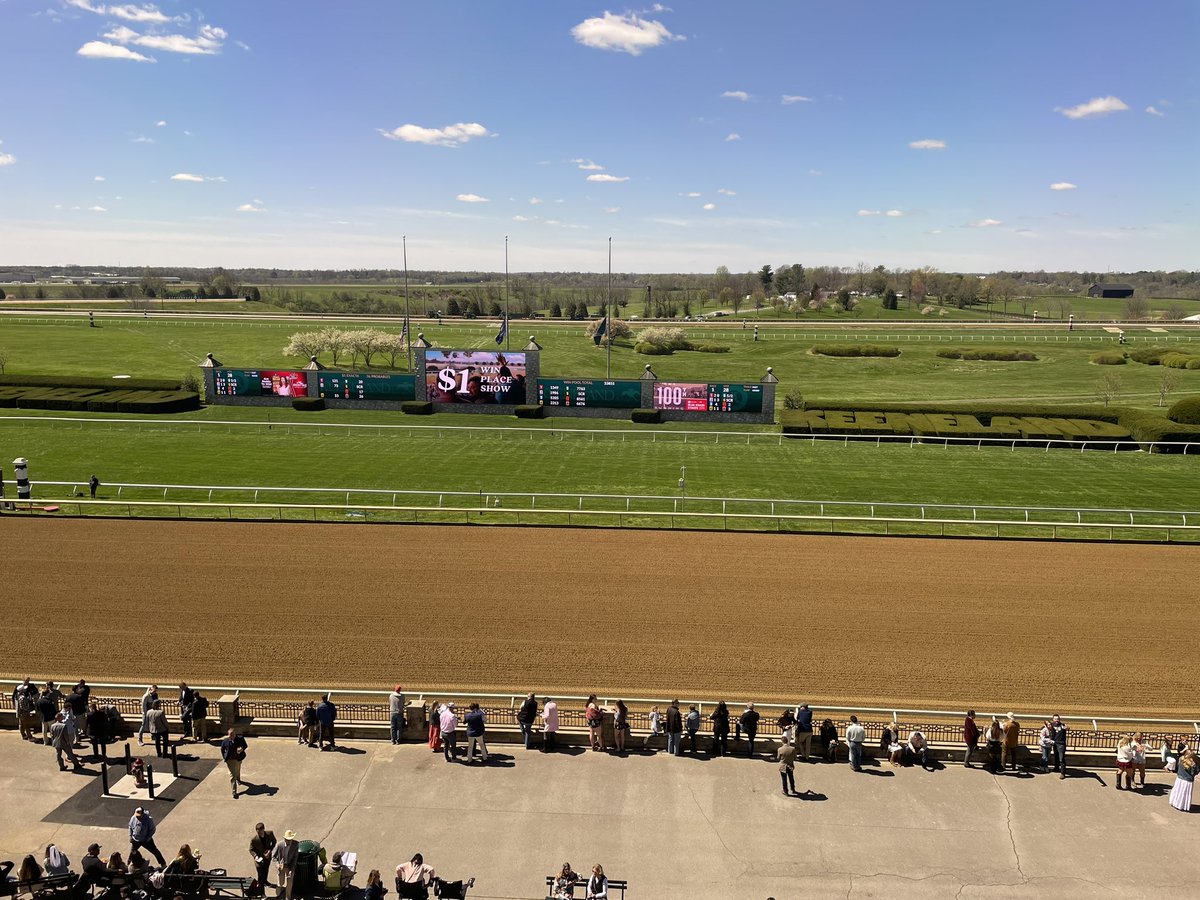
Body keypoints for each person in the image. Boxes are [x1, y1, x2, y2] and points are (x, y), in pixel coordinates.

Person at [273, 830, 300, 900]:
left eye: (290, 840)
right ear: (284, 839)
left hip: (290, 866)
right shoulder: (279, 845)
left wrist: (292, 869)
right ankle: (278, 896)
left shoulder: (296, 844)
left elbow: (295, 858)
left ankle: (288, 897)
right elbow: (273, 857)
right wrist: (277, 864)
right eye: (288, 840)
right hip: (281, 867)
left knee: (289, 884)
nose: (289, 841)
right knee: (280, 883)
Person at [222, 728, 248, 798]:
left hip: (238, 758)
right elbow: (222, 749)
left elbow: (245, 745)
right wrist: (225, 758)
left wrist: (242, 749)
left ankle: (238, 779)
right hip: (230, 760)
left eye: (232, 735)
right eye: (230, 735)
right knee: (232, 775)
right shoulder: (225, 741)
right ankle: (234, 792)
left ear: (235, 734)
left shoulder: (240, 739)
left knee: (237, 769)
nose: (231, 737)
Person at [250, 823, 277, 890]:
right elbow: (251, 849)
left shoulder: (270, 834)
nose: (259, 834)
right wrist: (255, 856)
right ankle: (261, 890)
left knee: (266, 870)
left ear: (263, 829)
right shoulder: (254, 839)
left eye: (260, 832)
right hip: (259, 859)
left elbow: (274, 841)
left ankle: (265, 881)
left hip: (267, 857)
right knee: (260, 875)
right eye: (258, 832)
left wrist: (270, 850)